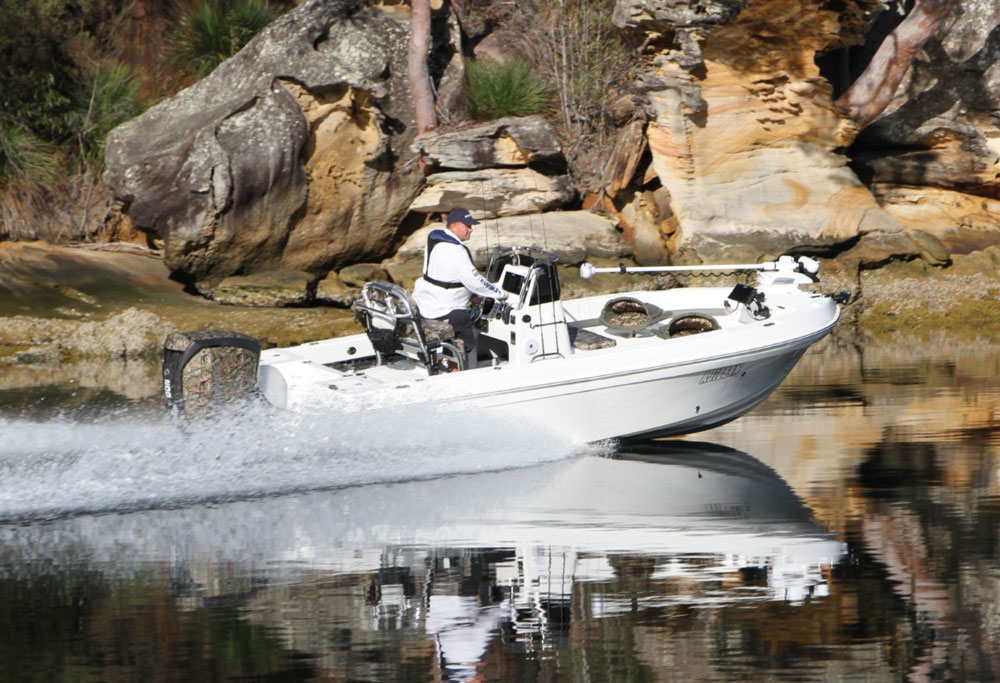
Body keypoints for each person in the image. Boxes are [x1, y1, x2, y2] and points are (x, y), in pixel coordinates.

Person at [413, 207, 508, 370]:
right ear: (454, 225)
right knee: (467, 338)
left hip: (425, 302)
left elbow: (447, 274)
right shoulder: (457, 252)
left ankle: (446, 362)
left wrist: (471, 295)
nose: (471, 230)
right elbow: (477, 283)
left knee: (467, 317)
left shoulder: (435, 239)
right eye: (467, 226)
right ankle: (461, 371)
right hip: (443, 308)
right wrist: (501, 294)